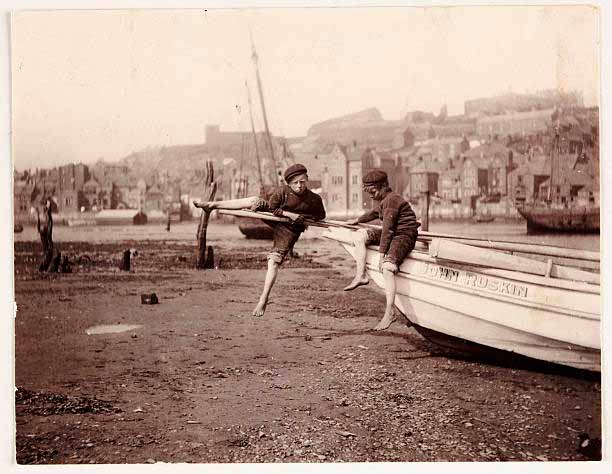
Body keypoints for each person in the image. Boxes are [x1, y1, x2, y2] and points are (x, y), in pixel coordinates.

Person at [194, 163, 326, 317]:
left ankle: (263, 299)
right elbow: (271, 208)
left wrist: (304, 219)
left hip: (289, 230)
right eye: (295, 183)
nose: (299, 186)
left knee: (274, 262)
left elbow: (321, 216)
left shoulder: (314, 199)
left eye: (302, 182)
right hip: (275, 216)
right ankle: (212, 205)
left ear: (307, 179)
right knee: (254, 200)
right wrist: (289, 214)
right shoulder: (282, 191)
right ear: (289, 184)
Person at [343, 170, 420, 331]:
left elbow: (388, 230)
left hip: (404, 234)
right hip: (393, 231)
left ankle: (389, 312)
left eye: (373, 191)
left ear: (384, 186)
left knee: (387, 268)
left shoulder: (392, 201)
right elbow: (373, 214)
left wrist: (382, 254)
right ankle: (361, 275)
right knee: (359, 236)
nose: (371, 195)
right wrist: (356, 221)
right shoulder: (385, 200)